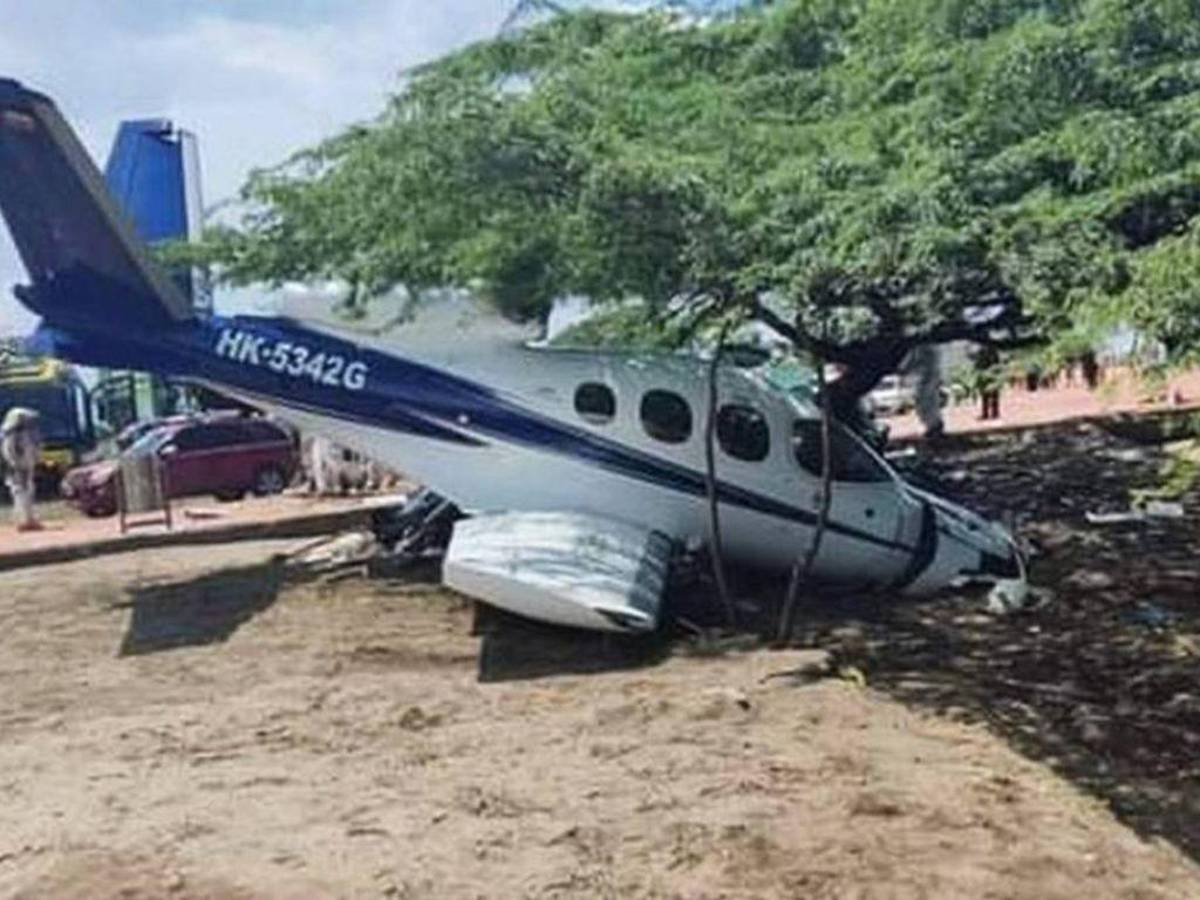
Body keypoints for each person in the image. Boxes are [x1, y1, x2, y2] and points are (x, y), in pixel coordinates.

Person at [1, 407, 43, 532]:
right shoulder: (10, 435)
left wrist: (34, 460)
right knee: (20, 493)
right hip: (17, 469)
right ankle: (23, 521)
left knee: (28, 491)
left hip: (26, 467)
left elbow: (34, 450)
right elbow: (9, 452)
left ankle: (30, 519)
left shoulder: (28, 433)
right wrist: (16, 465)